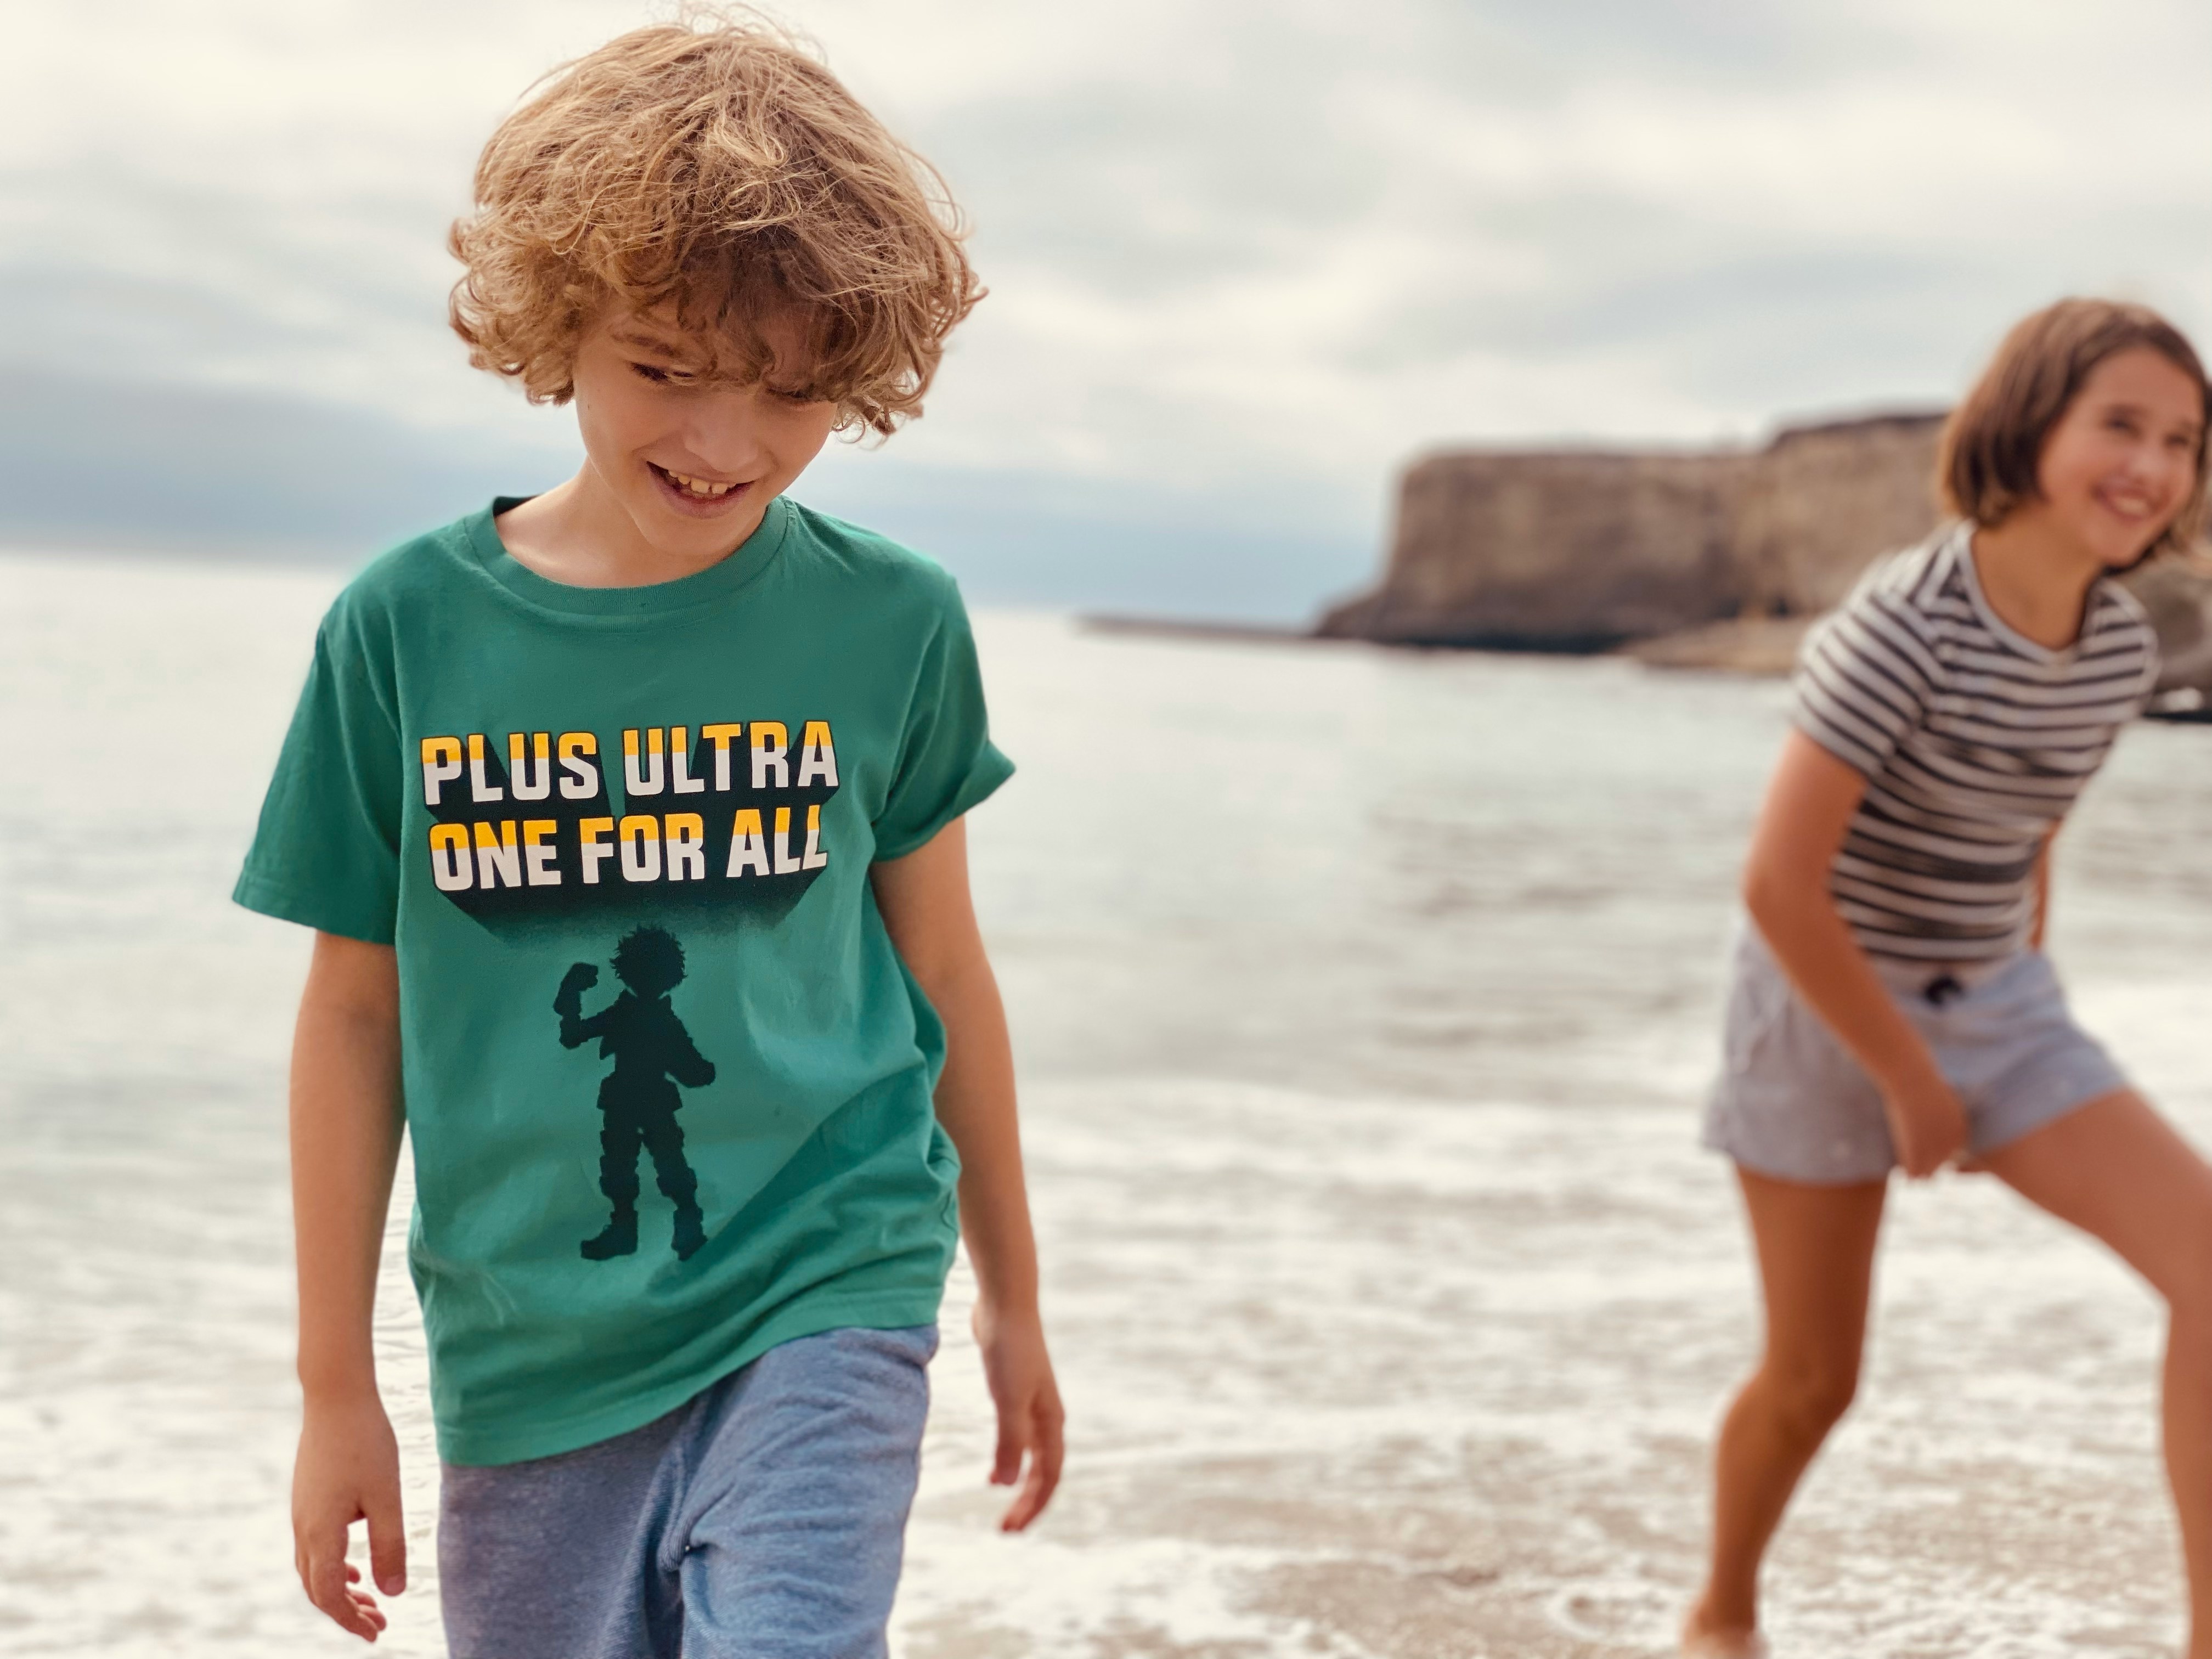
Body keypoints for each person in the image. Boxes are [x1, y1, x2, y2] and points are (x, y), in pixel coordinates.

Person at [233, 18, 1064, 1657]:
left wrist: (1013, 1295)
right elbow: (353, 1011)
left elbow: (942, 962)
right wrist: (338, 1390)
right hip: (532, 1347)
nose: (724, 445)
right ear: (558, 326)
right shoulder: (399, 632)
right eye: (664, 370)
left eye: (791, 390)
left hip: (830, 1274)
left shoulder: (892, 622)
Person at [1685, 298, 2212, 1658]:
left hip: (1993, 1001)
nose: (2151, 467)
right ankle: (1722, 1614)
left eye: (2183, 441)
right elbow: (1777, 886)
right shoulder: (1901, 627)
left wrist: (2016, 1015)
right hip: (1816, 1008)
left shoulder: (2117, 650)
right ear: (2029, 427)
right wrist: (1912, 1082)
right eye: (2121, 426)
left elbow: (2029, 823)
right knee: (1815, 1381)